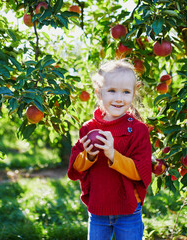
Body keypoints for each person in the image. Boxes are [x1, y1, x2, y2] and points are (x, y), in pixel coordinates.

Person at [67, 59, 152, 240]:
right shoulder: (89, 129)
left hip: (128, 210)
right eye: (112, 91)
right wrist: (89, 156)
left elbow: (141, 171)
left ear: (134, 92)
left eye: (126, 92)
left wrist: (113, 155)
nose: (119, 98)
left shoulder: (138, 130)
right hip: (98, 210)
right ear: (99, 92)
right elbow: (76, 168)